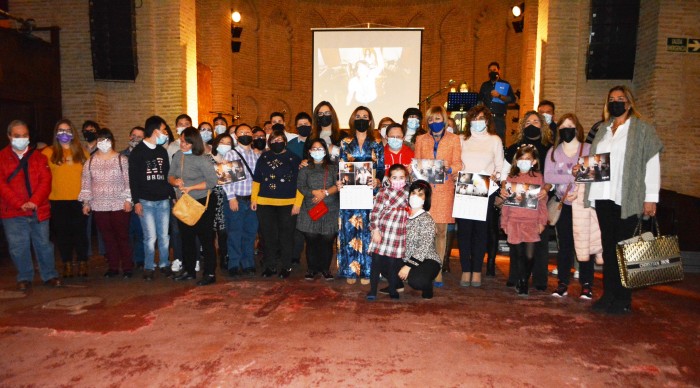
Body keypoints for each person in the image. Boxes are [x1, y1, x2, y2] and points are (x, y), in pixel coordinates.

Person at [582, 85, 662, 315]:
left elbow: (651, 164)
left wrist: (651, 198)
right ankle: (609, 294)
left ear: (629, 103)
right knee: (608, 248)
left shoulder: (642, 129)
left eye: (620, 98)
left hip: (627, 196)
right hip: (603, 196)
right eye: (612, 99)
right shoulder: (603, 130)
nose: (616, 102)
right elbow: (594, 161)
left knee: (624, 248)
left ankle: (623, 298)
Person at [0, 120, 61, 291]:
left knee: (44, 244)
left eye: (25, 135)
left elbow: (45, 181)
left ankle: (49, 275)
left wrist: (34, 201)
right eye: (17, 136)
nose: (22, 139)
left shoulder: (39, 157)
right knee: (18, 246)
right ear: (9, 137)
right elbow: (2, 185)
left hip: (38, 208)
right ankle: (24, 277)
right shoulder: (2, 158)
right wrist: (19, 204)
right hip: (12, 211)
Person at [544, 114, 596, 299]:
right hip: (563, 204)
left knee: (584, 245)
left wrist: (579, 185)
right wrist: (571, 176)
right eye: (563, 126)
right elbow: (548, 177)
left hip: (583, 204)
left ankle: (587, 284)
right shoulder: (553, 152)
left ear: (577, 128)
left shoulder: (588, 149)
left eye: (570, 125)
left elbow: (596, 174)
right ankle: (562, 284)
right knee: (564, 245)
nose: (567, 129)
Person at [504, 111, 553, 291]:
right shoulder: (513, 148)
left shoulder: (549, 148)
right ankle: (516, 277)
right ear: (522, 126)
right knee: (516, 247)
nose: (531, 124)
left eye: (536, 121)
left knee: (538, 244)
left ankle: (539, 279)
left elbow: (551, 175)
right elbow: (506, 173)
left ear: (543, 124)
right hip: (516, 208)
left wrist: (547, 189)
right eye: (527, 122)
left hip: (539, 201)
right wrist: (504, 187)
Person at [413, 105, 462, 286]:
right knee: (425, 232)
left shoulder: (454, 139)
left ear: (444, 119)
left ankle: (437, 271)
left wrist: (448, 169)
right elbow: (416, 165)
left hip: (444, 190)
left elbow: (459, 164)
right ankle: (423, 267)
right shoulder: (421, 139)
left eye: (437, 119)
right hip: (425, 192)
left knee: (441, 232)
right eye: (431, 120)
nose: (434, 122)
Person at [337, 106, 385, 285]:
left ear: (370, 121)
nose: (362, 119)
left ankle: (366, 270)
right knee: (349, 230)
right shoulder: (345, 142)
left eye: (365, 116)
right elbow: (340, 167)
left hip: (369, 192)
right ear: (353, 119)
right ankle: (350, 270)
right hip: (350, 192)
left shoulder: (377, 143)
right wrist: (339, 181)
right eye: (358, 116)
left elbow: (380, 168)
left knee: (367, 231)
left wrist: (378, 181)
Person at [456, 106, 504, 287]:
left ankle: (476, 270)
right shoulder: (462, 139)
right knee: (464, 232)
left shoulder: (494, 140)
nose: (478, 122)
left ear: (488, 120)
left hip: (485, 187)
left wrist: (495, 177)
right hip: (465, 187)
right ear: (469, 121)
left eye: (481, 118)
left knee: (481, 232)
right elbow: (456, 162)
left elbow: (499, 167)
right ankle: (465, 269)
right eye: (474, 118)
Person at [78, 129, 133, 278]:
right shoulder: (90, 162)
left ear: (112, 141)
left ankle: (127, 267)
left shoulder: (122, 160)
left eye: (107, 139)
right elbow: (86, 183)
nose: (104, 142)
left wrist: (128, 200)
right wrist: (86, 203)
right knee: (107, 238)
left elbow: (128, 182)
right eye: (101, 139)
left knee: (122, 237)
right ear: (97, 141)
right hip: (99, 205)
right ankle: (113, 267)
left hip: (119, 204)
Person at [168, 127, 218, 286]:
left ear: (194, 143)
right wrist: (175, 181)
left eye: (186, 142)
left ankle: (209, 273)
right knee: (187, 238)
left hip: (202, 202)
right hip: (185, 203)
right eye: (181, 141)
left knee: (205, 239)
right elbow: (170, 175)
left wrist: (191, 188)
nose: (182, 144)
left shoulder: (203, 159)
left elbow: (212, 182)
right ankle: (189, 271)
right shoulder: (178, 156)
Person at [251, 130, 303, 279]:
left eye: (279, 139)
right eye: (273, 140)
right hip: (264, 203)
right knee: (267, 237)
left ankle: (286, 266)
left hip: (288, 204)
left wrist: (297, 203)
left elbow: (300, 183)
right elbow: (257, 179)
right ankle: (270, 265)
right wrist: (254, 199)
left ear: (285, 141)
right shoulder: (264, 156)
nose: (276, 142)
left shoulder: (294, 158)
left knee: (286, 236)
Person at [42, 119, 90, 278]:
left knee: (80, 233)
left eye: (67, 130)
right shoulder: (48, 153)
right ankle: (67, 263)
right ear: (56, 133)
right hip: (57, 200)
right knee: (63, 234)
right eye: (61, 131)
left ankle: (83, 262)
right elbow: (42, 177)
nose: (64, 134)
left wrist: (87, 199)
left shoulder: (82, 152)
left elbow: (89, 177)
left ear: (73, 133)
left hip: (79, 200)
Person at [129, 115, 173, 281]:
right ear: (155, 131)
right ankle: (149, 266)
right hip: (145, 201)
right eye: (163, 130)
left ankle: (164, 264)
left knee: (164, 236)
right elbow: (133, 179)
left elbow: (167, 175)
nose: (165, 133)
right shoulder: (138, 152)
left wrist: (172, 195)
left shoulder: (162, 151)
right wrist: (136, 201)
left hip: (163, 200)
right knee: (150, 237)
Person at [501, 145, 548, 296]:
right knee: (518, 254)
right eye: (521, 159)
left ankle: (525, 278)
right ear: (516, 161)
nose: (524, 162)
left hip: (531, 222)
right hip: (514, 220)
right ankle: (522, 282)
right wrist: (504, 222)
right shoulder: (511, 178)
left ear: (534, 161)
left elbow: (542, 203)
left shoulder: (539, 178)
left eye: (528, 159)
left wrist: (542, 221)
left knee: (529, 255)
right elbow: (506, 204)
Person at [296, 138, 339, 280]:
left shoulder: (333, 167)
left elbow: (339, 185)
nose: (317, 151)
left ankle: (326, 269)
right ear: (309, 151)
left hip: (330, 208)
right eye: (314, 148)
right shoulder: (305, 168)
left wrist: (325, 193)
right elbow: (301, 186)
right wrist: (313, 192)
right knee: (311, 240)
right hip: (310, 208)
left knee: (327, 240)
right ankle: (312, 269)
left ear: (325, 151)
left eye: (320, 148)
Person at [366, 164, 410, 301]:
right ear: (389, 178)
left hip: (398, 233)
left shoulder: (409, 193)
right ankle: (373, 290)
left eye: (401, 177)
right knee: (376, 262)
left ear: (406, 178)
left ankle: (392, 288)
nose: (398, 180)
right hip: (383, 231)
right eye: (395, 177)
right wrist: (375, 230)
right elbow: (374, 213)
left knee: (393, 264)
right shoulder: (383, 192)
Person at [222, 124, 260, 277]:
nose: (245, 134)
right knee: (235, 233)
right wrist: (231, 198)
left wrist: (255, 199)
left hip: (252, 200)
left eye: (248, 132)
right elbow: (226, 178)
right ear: (236, 137)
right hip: (236, 199)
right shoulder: (231, 155)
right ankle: (234, 264)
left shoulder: (256, 156)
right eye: (241, 132)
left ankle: (248, 263)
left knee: (250, 233)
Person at [398, 180, 442, 299]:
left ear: (425, 198)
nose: (415, 197)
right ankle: (396, 284)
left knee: (417, 281)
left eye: (420, 194)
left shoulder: (427, 219)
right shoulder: (403, 215)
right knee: (384, 261)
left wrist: (407, 266)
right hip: (404, 257)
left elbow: (423, 247)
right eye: (413, 193)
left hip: (427, 259)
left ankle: (427, 286)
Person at [120, 126, 146, 269]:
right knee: (126, 232)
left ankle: (140, 260)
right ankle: (128, 261)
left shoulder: (145, 155)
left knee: (141, 232)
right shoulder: (121, 156)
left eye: (139, 137)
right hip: (123, 199)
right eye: (133, 135)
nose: (135, 139)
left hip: (140, 198)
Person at [211, 133, 234, 270]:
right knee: (214, 230)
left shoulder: (233, 159)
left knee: (225, 230)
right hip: (213, 197)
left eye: (228, 143)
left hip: (228, 197)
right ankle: (213, 257)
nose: (225, 145)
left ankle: (225, 256)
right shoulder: (209, 158)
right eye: (222, 142)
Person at [477, 62, 516, 142]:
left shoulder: (505, 84)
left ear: (499, 71)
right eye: (490, 70)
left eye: (494, 70)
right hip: (486, 118)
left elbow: (512, 99)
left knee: (499, 141)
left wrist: (499, 96)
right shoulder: (485, 85)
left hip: (499, 119)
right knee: (485, 142)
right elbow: (479, 100)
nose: (492, 72)